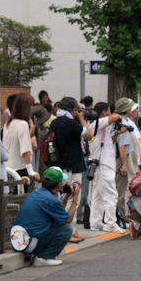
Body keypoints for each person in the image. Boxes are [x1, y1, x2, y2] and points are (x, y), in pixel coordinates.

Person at [11, 167, 74, 266]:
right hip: (28, 243)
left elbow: (60, 215)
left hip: (18, 242)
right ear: (59, 184)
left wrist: (66, 197)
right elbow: (68, 219)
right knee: (67, 229)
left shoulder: (37, 193)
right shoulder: (51, 199)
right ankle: (44, 257)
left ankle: (44, 255)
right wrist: (75, 199)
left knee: (57, 223)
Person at [86, 103, 126, 233]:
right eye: (109, 111)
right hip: (103, 165)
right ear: (103, 112)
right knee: (111, 194)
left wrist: (117, 133)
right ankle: (111, 223)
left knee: (97, 195)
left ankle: (96, 223)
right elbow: (114, 117)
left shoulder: (99, 127)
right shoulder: (99, 122)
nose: (110, 114)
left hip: (100, 164)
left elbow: (107, 143)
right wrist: (118, 116)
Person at [53, 97, 88, 243]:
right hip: (72, 165)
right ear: (73, 109)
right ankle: (69, 231)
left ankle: (71, 230)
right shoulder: (71, 123)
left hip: (60, 165)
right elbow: (89, 135)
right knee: (73, 197)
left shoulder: (55, 122)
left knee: (64, 198)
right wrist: (81, 119)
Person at [115, 98, 141, 223]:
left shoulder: (120, 121)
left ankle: (122, 212)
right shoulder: (124, 123)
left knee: (122, 187)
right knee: (123, 187)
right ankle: (123, 214)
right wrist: (124, 164)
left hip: (123, 157)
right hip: (123, 158)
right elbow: (122, 146)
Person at [3, 93, 38, 181]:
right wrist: (31, 171)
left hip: (7, 169)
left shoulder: (8, 123)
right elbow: (25, 150)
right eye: (30, 105)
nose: (32, 108)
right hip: (20, 170)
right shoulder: (23, 124)